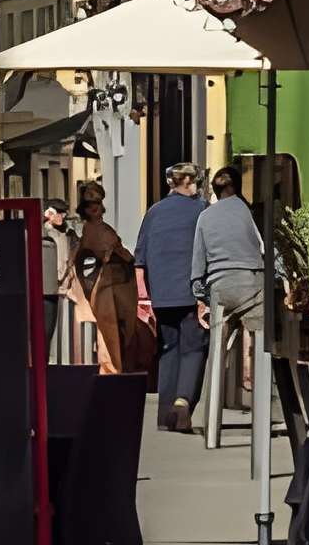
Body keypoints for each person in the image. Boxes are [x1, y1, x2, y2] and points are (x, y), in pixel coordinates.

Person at [191, 167, 269, 447]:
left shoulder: (205, 216)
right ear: (238, 187)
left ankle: (212, 432)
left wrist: (200, 293)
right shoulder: (250, 212)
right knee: (260, 348)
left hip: (220, 287)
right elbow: (265, 247)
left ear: (213, 189)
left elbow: (198, 260)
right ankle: (261, 421)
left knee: (217, 351)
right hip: (251, 282)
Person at [135, 163, 207, 431]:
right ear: (190, 182)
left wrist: (144, 298)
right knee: (193, 349)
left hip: (161, 296)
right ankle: (182, 402)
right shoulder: (201, 211)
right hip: (191, 294)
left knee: (168, 350)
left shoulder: (153, 213)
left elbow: (139, 260)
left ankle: (166, 416)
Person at [70, 182, 148, 377]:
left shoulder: (101, 228)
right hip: (106, 285)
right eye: (89, 203)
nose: (94, 207)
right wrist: (88, 282)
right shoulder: (92, 230)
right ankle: (113, 368)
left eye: (97, 201)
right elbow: (81, 257)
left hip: (120, 283)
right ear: (84, 208)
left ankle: (119, 367)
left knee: (124, 329)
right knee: (109, 330)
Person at [40, 201, 74, 362]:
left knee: (53, 330)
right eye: (57, 213)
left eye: (63, 213)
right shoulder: (44, 233)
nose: (61, 216)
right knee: (45, 331)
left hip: (61, 288)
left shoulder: (67, 234)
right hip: (47, 287)